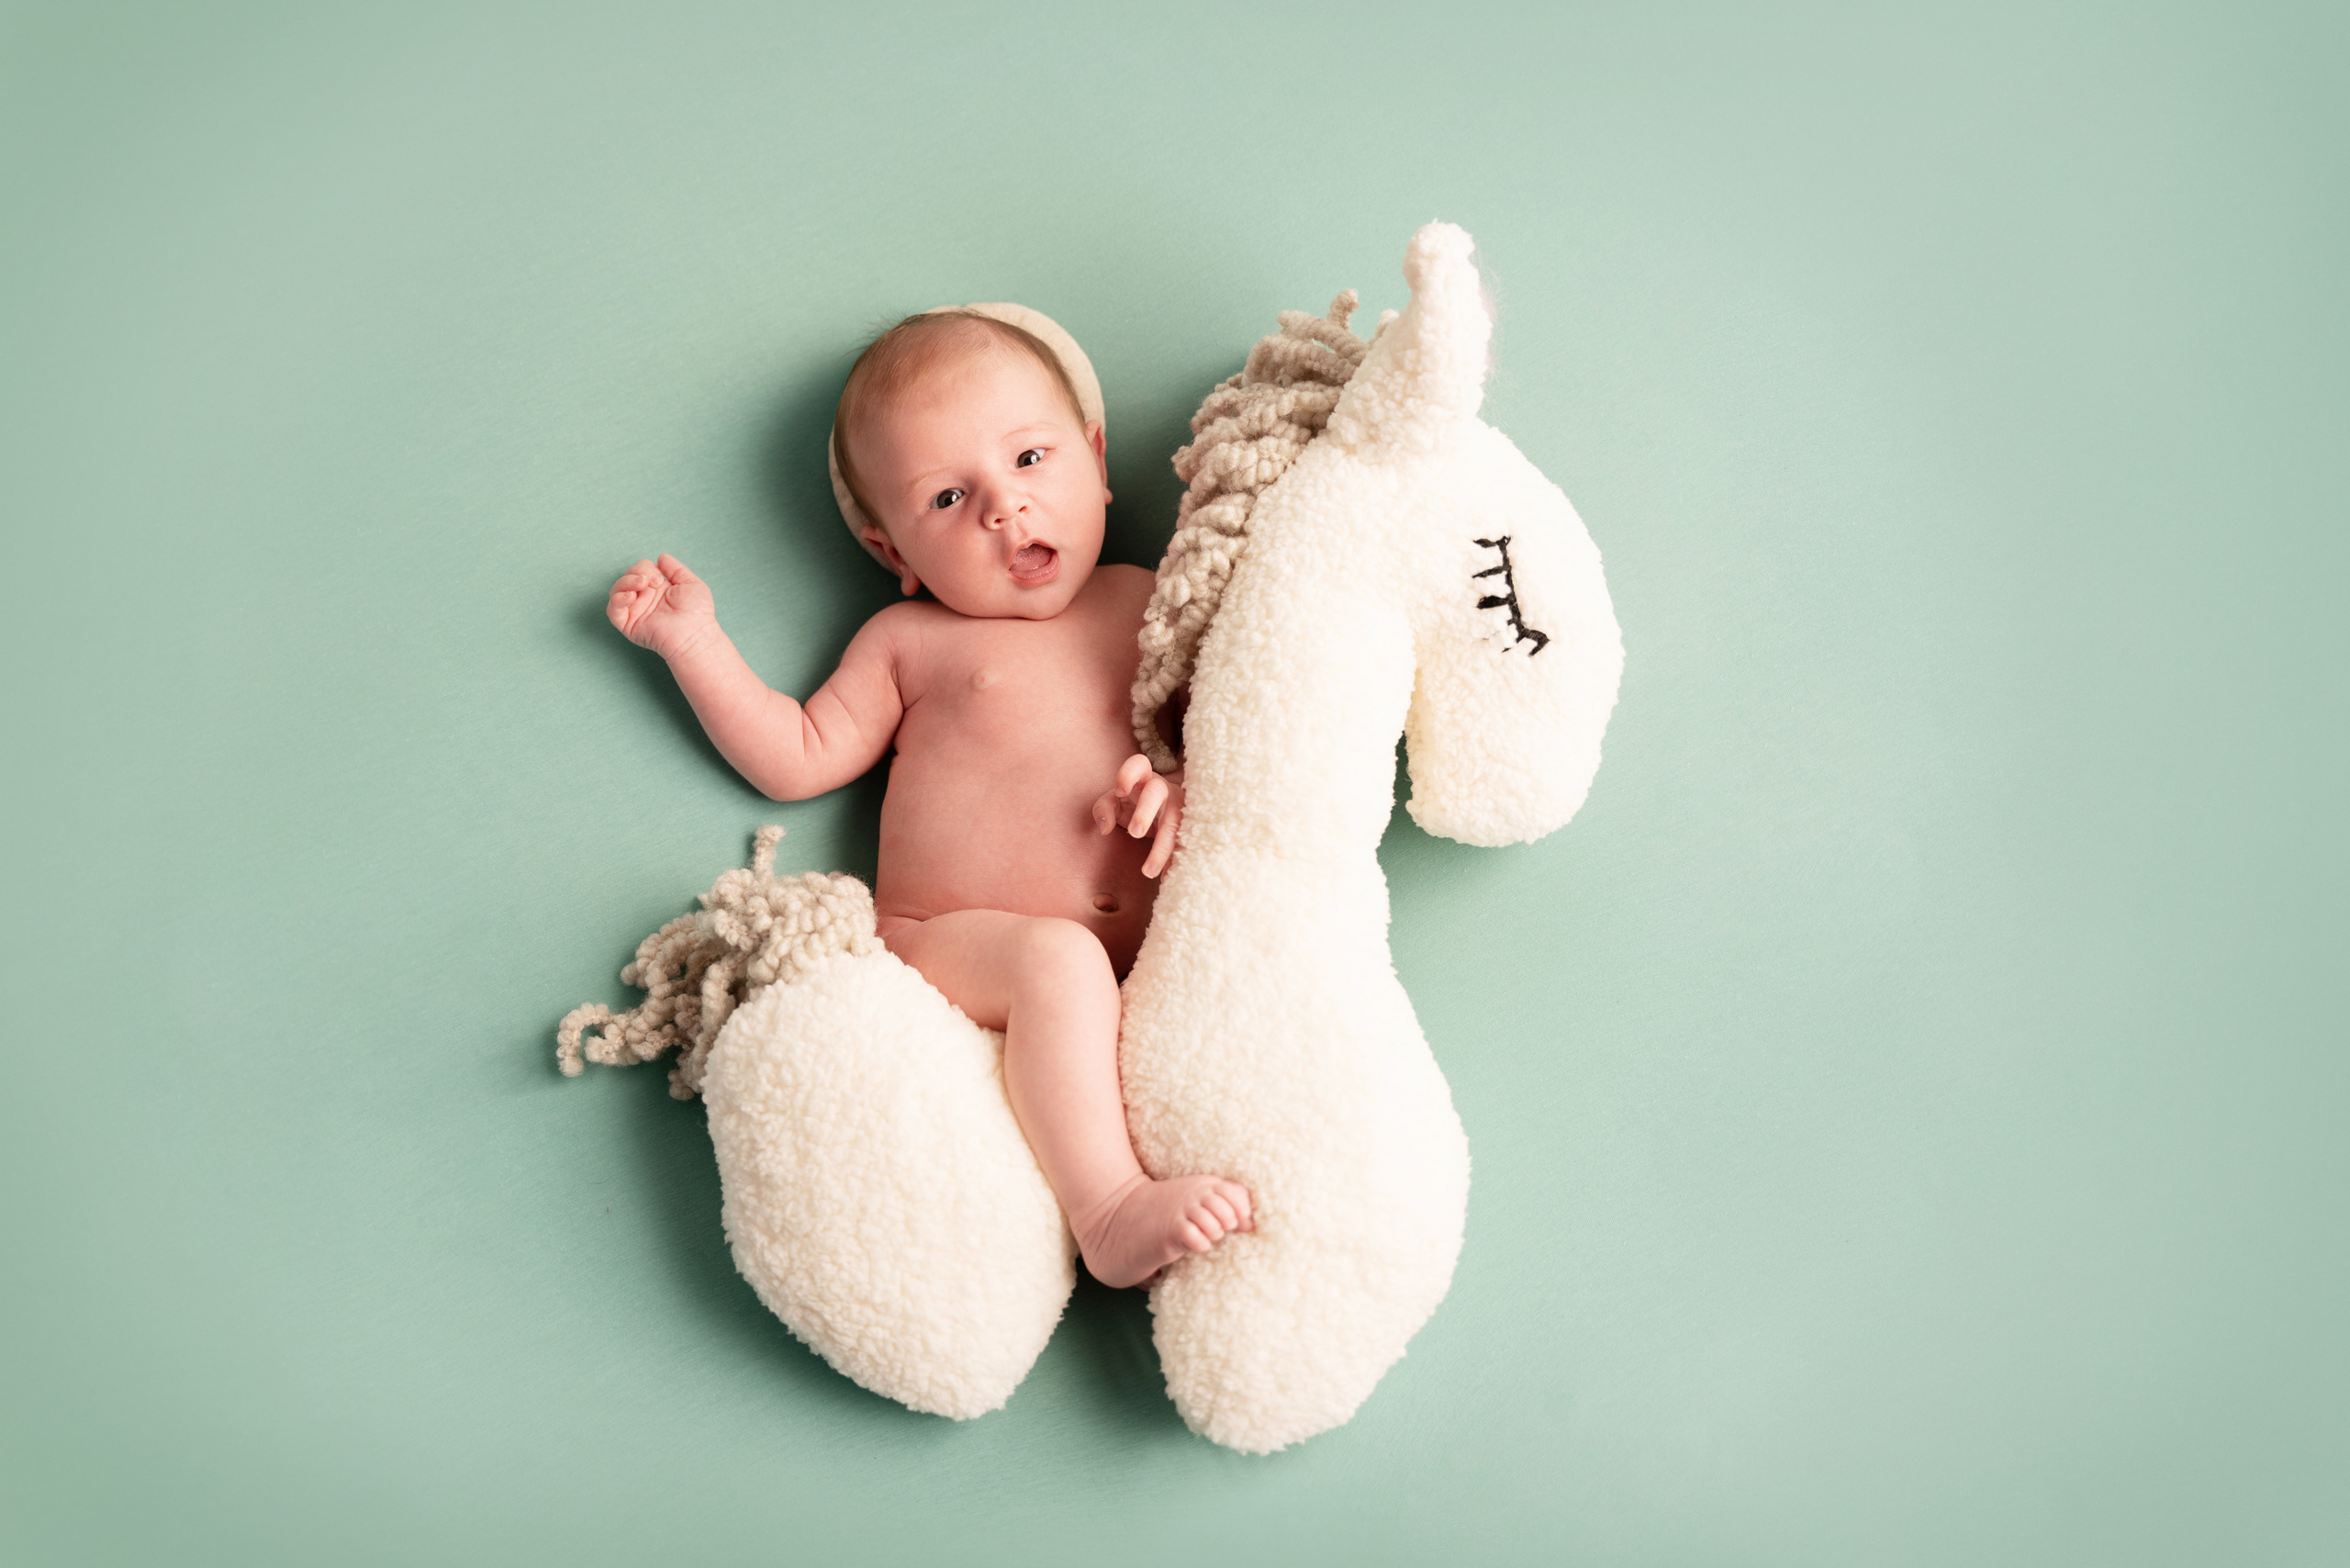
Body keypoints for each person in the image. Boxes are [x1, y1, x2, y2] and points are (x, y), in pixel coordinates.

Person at [606, 310, 1252, 1288]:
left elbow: (1240, 746)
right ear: (889, 547)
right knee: (1058, 961)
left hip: (1137, 975)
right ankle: (1109, 1209)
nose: (1003, 508)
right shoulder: (909, 640)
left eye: (1031, 458)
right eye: (948, 497)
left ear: (1095, 456)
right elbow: (796, 756)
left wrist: (1177, 787)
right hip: (945, 945)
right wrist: (692, 642)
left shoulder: (1152, 599)